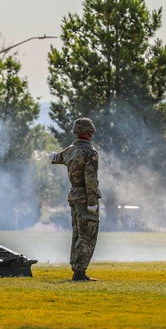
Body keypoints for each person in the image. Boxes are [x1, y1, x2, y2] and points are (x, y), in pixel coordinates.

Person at [49, 117, 100, 281]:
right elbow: (90, 180)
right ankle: (79, 272)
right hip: (85, 196)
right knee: (88, 234)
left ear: (76, 132)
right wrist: (92, 202)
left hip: (74, 195)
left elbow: (56, 158)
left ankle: (76, 267)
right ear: (91, 132)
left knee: (78, 232)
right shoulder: (90, 152)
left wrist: (53, 155)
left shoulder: (71, 150)